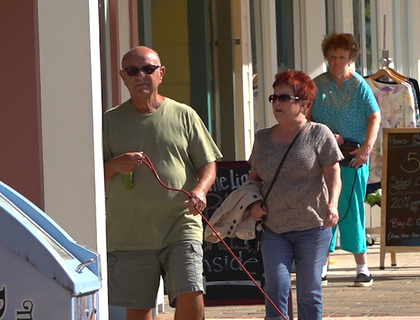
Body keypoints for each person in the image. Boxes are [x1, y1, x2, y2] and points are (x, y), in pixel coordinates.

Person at [103, 46, 222, 320]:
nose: (140, 76)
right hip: (130, 230)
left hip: (181, 223)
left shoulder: (184, 115)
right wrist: (114, 165)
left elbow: (208, 164)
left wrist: (200, 190)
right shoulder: (110, 121)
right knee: (138, 306)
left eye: (148, 69)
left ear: (161, 73)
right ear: (123, 77)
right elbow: (91, 175)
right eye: (132, 71)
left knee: (191, 292)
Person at [248, 69, 342, 320]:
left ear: (303, 104)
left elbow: (333, 172)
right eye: (274, 98)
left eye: (284, 98)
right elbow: (254, 178)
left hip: (312, 224)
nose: (277, 103)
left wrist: (332, 205)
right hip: (273, 227)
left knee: (309, 292)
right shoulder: (262, 138)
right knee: (276, 288)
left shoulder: (318, 133)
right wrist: (253, 204)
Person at [310, 32, 381, 287]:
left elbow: (375, 117)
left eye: (342, 57)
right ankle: (322, 265)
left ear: (351, 58)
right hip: (324, 157)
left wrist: (366, 149)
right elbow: (305, 119)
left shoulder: (359, 85)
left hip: (352, 155)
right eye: (332, 57)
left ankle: (363, 267)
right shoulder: (316, 85)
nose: (336, 61)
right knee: (324, 209)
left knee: (352, 210)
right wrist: (325, 135)